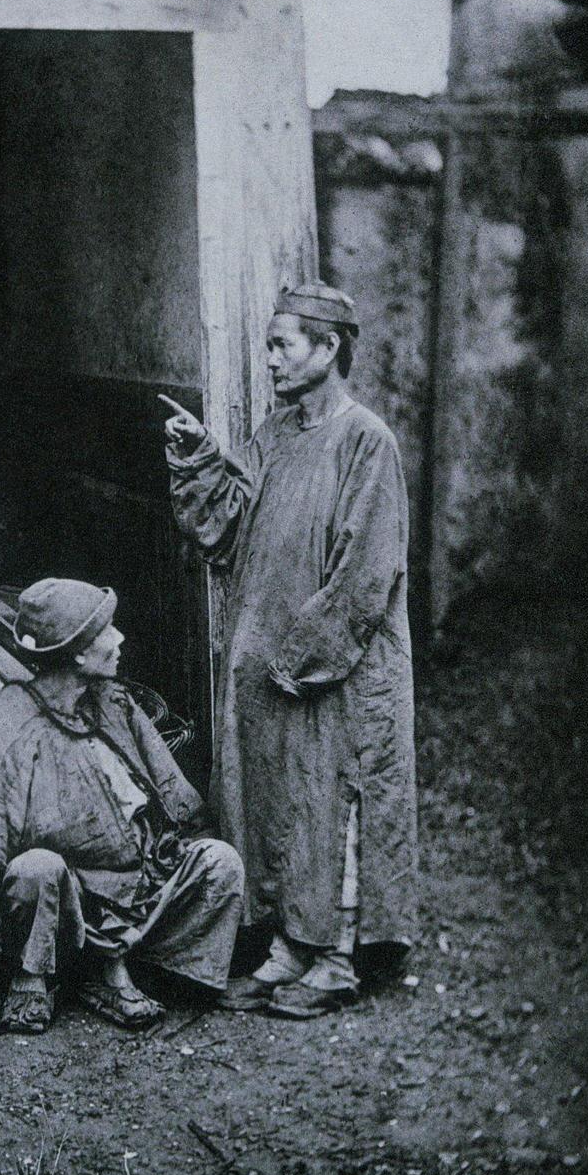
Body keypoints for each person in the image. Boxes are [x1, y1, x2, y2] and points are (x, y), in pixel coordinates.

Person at [161, 281, 418, 1019]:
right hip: (273, 659)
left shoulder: (365, 438)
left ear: (329, 347)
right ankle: (287, 946)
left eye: (283, 345)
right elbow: (231, 524)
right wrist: (199, 458)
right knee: (279, 795)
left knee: (334, 794)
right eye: (269, 346)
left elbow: (366, 569)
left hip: (341, 661)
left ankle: (335, 956)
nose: (269, 359)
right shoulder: (275, 433)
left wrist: (305, 652)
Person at [0, 578, 244, 1034]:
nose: (119, 641)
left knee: (220, 862)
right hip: (67, 903)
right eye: (107, 632)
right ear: (78, 653)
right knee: (35, 869)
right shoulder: (5, 719)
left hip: (140, 888)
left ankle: (140, 970)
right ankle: (38, 973)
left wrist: (188, 841)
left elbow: (171, 792)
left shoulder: (117, 703)